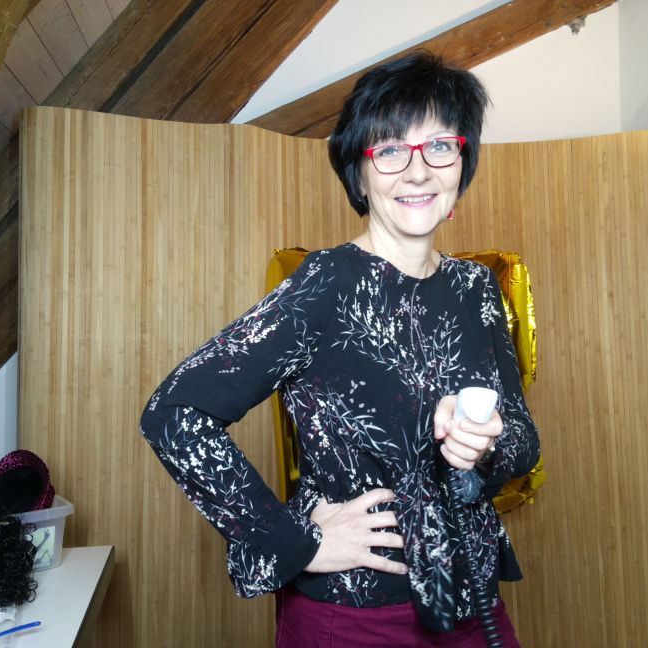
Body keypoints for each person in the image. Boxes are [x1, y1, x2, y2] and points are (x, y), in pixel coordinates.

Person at [140, 52, 540, 647]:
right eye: (390, 150)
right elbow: (173, 414)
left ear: (463, 162)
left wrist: (486, 442)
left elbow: (523, 442)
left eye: (439, 146)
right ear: (359, 173)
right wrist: (295, 540)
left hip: (474, 600)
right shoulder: (326, 283)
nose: (418, 171)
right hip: (355, 618)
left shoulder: (476, 287)